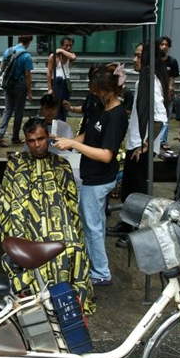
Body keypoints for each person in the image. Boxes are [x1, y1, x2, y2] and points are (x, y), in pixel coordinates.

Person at [0, 117, 94, 313]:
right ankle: (32, 298)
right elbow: (6, 203)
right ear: (26, 141)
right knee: (20, 250)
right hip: (25, 227)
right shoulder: (15, 165)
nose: (37, 145)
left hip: (61, 226)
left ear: (48, 137)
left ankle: (68, 301)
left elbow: (71, 203)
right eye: (31, 141)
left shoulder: (61, 164)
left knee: (74, 248)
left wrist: (72, 230)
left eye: (41, 139)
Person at [53, 64, 128, 286]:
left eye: (97, 90)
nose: (94, 94)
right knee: (95, 224)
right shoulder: (102, 109)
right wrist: (68, 142)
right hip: (92, 175)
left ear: (108, 90)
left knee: (92, 226)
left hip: (100, 178)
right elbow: (89, 135)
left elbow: (106, 154)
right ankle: (94, 264)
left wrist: (74, 145)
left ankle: (101, 272)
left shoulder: (116, 116)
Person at [107, 43, 169, 246]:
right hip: (135, 143)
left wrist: (145, 144)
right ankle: (126, 224)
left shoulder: (151, 82)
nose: (135, 59)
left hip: (141, 147)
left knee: (138, 192)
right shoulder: (142, 81)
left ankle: (136, 233)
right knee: (129, 190)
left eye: (139, 56)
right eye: (134, 55)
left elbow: (160, 117)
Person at [0, 35, 34, 147]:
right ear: (29, 42)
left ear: (18, 39)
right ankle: (15, 137)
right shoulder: (26, 56)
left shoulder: (9, 51)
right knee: (19, 112)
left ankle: (0, 134)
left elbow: (1, 67)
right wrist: (29, 92)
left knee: (8, 109)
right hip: (20, 85)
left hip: (8, 84)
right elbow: (27, 74)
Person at [46, 36, 76, 121]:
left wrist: (62, 50)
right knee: (56, 106)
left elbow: (73, 57)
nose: (68, 47)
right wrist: (50, 88)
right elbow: (49, 71)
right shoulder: (54, 56)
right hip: (57, 83)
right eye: (66, 45)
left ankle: (62, 124)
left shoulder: (71, 55)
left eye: (70, 45)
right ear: (62, 45)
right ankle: (54, 126)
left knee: (64, 105)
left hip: (65, 83)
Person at [157, 36, 179, 152]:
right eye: (162, 44)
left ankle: (162, 141)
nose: (164, 47)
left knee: (166, 118)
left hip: (166, 93)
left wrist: (170, 90)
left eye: (166, 45)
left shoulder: (172, 61)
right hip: (155, 92)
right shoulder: (154, 60)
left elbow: (172, 78)